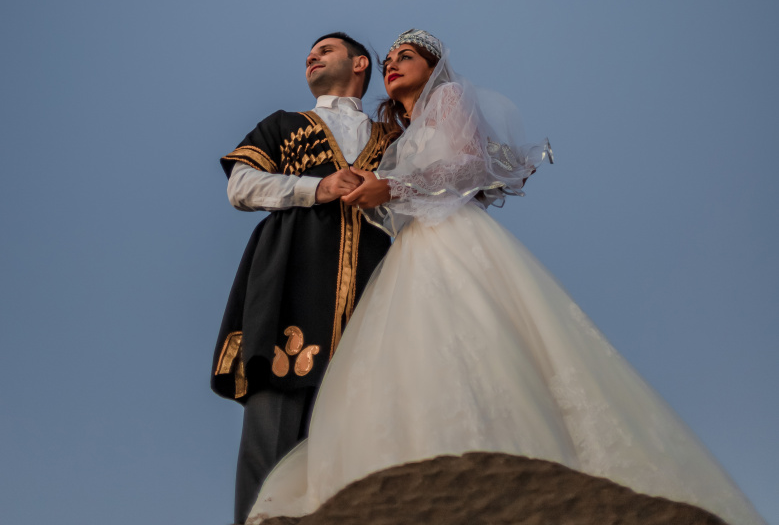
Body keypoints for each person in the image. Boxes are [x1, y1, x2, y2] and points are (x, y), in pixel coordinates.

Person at [248, 29, 767, 525]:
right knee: (414, 352)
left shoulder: (449, 98)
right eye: (390, 60)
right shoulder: (396, 132)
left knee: (475, 333)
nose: (393, 65)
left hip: (453, 239)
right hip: (411, 248)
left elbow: (468, 166)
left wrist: (391, 186)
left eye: (406, 56)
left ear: (434, 67)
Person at [211, 32, 394, 525]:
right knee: (272, 437)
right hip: (289, 285)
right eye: (310, 53)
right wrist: (318, 187)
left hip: (375, 292)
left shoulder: (394, 140)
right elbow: (241, 186)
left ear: (360, 63)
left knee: (361, 445)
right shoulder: (284, 124)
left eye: (325, 49)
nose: (312, 56)